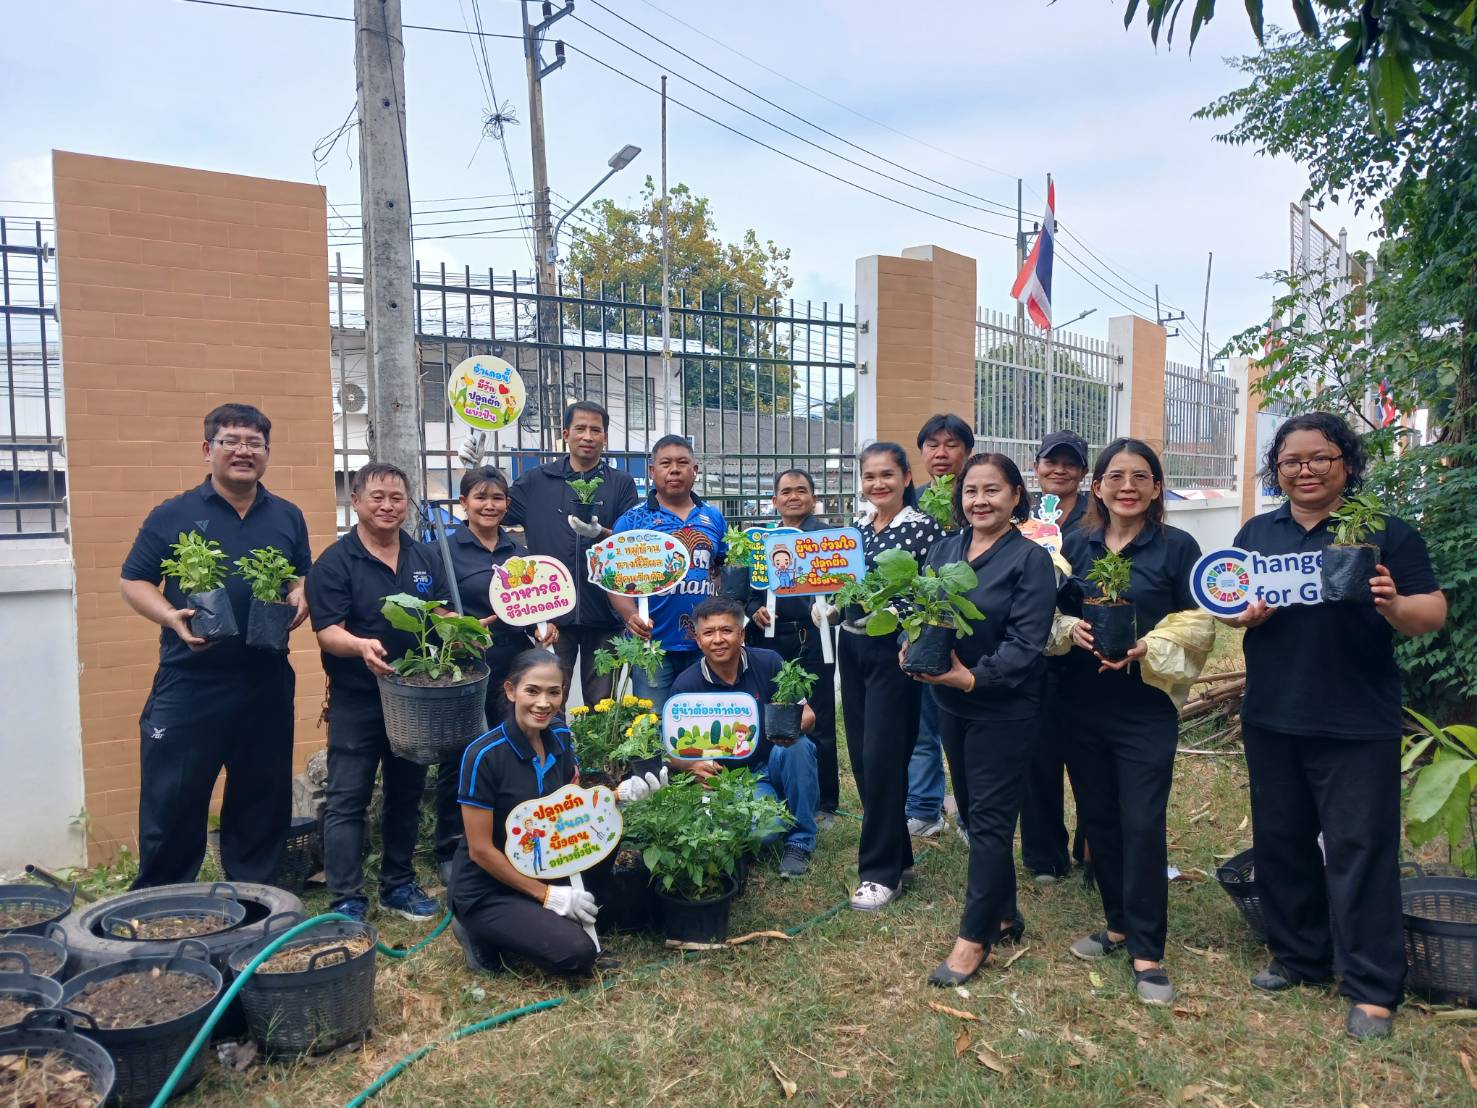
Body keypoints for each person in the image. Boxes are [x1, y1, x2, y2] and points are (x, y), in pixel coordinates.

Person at [1225, 412, 1445, 1040]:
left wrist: (1393, 604)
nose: (1306, 470)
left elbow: (1431, 612)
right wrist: (1242, 617)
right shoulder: (1257, 532)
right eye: (1292, 460)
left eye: (1320, 457)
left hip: (1356, 719)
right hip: (1273, 714)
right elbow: (1230, 603)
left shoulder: (1384, 531)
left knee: (1360, 848)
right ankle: (1299, 956)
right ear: (1277, 469)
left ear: (1346, 463)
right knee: (1282, 840)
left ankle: (1372, 986)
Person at [120, 403, 311, 887]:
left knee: (262, 794)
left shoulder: (287, 516)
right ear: (208, 449)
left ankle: (255, 896)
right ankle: (164, 899)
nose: (244, 451)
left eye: (254, 443)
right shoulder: (173, 514)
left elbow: (299, 574)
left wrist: (299, 592)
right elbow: (134, 580)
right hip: (191, 679)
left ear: (267, 452)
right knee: (174, 796)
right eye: (231, 441)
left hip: (265, 677)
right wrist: (169, 616)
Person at [1054, 438, 1212, 1006]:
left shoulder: (1176, 546)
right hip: (1081, 701)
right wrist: (1068, 628)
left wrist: (1148, 645)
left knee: (1142, 822)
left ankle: (1148, 951)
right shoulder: (1074, 544)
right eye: (1116, 476)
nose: (1128, 486)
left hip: (1145, 707)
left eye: (1140, 476)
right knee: (1098, 819)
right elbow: (1048, 609)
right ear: (1096, 486)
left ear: (1157, 487)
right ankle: (1117, 924)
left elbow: (1199, 621)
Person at [915, 454, 1056, 986]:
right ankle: (1004, 914)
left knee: (992, 821)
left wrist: (972, 678)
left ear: (1016, 496)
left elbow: (1026, 644)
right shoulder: (945, 549)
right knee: (975, 813)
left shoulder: (1030, 560)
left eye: (992, 490)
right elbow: (925, 613)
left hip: (1004, 707)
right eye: (971, 491)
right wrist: (913, 645)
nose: (980, 500)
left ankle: (973, 940)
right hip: (952, 704)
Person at [307, 462, 443, 924]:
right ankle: (346, 898)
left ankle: (398, 885)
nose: (388, 506)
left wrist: (465, 630)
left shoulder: (423, 557)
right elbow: (327, 632)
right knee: (348, 798)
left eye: (397, 498)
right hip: (358, 699)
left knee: (406, 792)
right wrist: (360, 646)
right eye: (377, 497)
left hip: (414, 698)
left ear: (407, 504)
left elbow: (439, 614)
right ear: (356, 501)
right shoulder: (335, 562)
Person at [433, 466, 558, 884]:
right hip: (468, 665)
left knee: (518, 746)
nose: (490, 505)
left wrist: (545, 627)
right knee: (462, 752)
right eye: (480, 497)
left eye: (498, 498)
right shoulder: (445, 551)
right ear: (463, 502)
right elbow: (433, 607)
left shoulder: (517, 552)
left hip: (515, 663)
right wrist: (460, 625)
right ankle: (452, 845)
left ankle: (511, 837)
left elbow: (535, 603)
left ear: (507, 504)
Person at [839, 442, 947, 911]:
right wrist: (829, 605)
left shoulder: (924, 528)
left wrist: (907, 630)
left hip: (894, 650)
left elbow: (932, 592)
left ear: (906, 477)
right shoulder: (857, 529)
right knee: (862, 758)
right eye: (870, 476)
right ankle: (899, 857)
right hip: (851, 645)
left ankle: (879, 872)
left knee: (883, 757)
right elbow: (840, 583)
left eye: (887, 474)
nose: (878, 483)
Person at [448, 651, 598, 976]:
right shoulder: (483, 756)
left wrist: (619, 797)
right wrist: (549, 896)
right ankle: (474, 930)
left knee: (608, 885)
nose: (543, 703)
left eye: (554, 692)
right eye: (532, 691)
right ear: (511, 690)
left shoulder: (560, 737)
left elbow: (570, 809)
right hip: (488, 887)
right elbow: (480, 850)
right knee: (578, 953)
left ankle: (529, 920)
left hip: (541, 863)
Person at [673, 597, 820, 877]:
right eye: (709, 632)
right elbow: (672, 751)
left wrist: (790, 725)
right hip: (737, 780)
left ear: (741, 634)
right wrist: (691, 765)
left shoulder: (769, 662)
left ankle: (800, 840)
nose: (718, 639)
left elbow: (808, 715)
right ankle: (778, 810)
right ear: (698, 640)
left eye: (727, 630)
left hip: (775, 759)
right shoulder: (687, 686)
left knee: (798, 747)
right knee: (763, 832)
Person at [503, 401, 638, 705]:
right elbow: (494, 513)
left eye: (595, 430)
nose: (587, 436)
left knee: (602, 705)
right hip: (550, 615)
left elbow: (630, 546)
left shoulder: (621, 484)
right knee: (548, 700)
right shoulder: (537, 481)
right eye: (580, 429)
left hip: (605, 613)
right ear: (566, 434)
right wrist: (476, 470)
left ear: (605, 437)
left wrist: (601, 533)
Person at [1019, 429, 1092, 884]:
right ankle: (1044, 854)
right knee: (1036, 756)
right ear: (1037, 466)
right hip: (1032, 653)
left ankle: (1092, 846)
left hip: (1084, 648)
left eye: (1070, 463)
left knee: (1088, 756)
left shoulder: (1096, 516)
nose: (1059, 470)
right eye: (1051, 461)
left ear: (1083, 472)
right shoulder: (1021, 515)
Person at [746, 469, 840, 822]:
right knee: (773, 713)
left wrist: (833, 609)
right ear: (775, 500)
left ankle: (825, 802)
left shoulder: (827, 539)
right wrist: (754, 611)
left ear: (814, 499)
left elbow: (845, 588)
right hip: (770, 640)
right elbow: (749, 594)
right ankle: (781, 789)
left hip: (814, 637)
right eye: (786, 491)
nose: (793, 496)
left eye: (801, 490)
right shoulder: (762, 542)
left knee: (819, 716)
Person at [609, 435, 728, 708]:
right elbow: (613, 582)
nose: (674, 470)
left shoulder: (714, 517)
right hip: (651, 645)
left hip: (705, 642)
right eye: (666, 463)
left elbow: (721, 568)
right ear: (652, 471)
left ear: (695, 470)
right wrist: (630, 616)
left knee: (702, 716)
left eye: (682, 463)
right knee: (653, 721)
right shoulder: (632, 521)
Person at [907, 413, 975, 841]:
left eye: (951, 444)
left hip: (970, 625)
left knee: (964, 728)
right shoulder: (911, 500)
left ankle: (970, 815)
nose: (941, 453)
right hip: (922, 626)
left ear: (967, 451)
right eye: (932, 445)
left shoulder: (977, 497)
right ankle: (924, 807)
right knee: (922, 725)